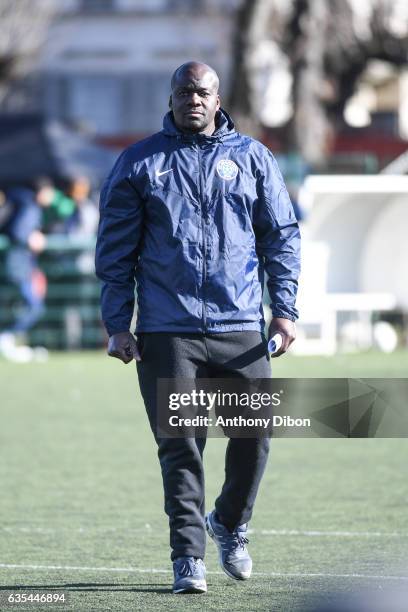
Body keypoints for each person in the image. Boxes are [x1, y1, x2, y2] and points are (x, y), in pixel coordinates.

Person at [95, 61, 301, 594]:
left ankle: (229, 523)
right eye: (184, 91)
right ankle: (188, 557)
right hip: (168, 331)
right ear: (172, 97)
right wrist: (118, 323)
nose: (193, 99)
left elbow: (280, 238)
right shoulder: (140, 162)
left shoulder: (254, 158)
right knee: (182, 444)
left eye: (202, 91)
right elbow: (116, 251)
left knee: (255, 436)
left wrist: (286, 310)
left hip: (240, 327)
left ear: (217, 98)